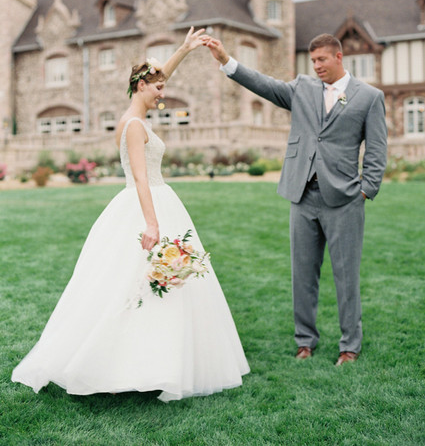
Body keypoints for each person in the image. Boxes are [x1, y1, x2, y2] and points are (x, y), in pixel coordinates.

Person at [12, 27, 249, 401]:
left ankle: (157, 360)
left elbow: (160, 76)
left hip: (153, 200)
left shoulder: (133, 117)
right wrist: (152, 224)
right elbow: (140, 177)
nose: (162, 93)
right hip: (146, 206)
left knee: (157, 284)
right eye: (158, 89)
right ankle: (122, 362)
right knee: (137, 282)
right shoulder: (135, 125)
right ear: (141, 86)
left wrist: (184, 49)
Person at [206, 33, 387, 365]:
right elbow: (265, 85)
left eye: (322, 59)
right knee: (302, 275)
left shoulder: (369, 97)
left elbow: (377, 148)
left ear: (338, 57)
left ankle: (349, 346)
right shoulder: (302, 88)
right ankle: (305, 341)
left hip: (345, 199)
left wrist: (366, 190)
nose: (316, 66)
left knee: (347, 277)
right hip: (302, 194)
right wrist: (226, 61)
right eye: (313, 60)